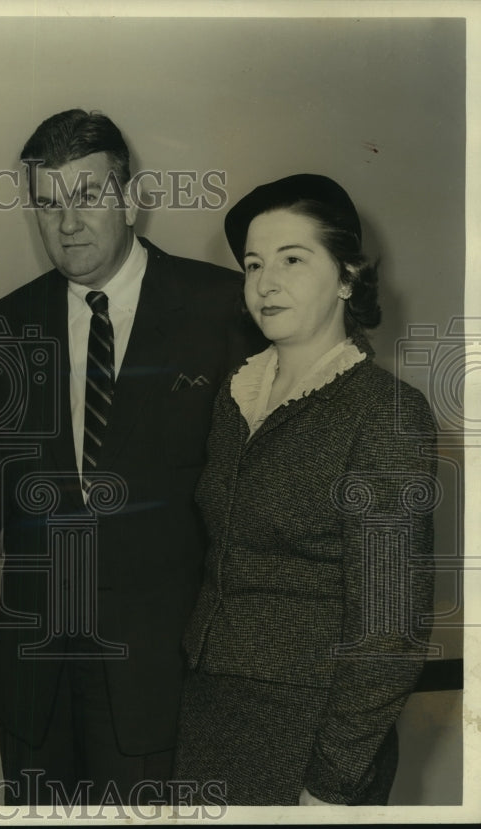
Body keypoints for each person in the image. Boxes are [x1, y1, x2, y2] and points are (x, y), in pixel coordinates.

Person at [0, 109, 264, 805]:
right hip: (36, 682)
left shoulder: (221, 307)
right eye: (48, 202)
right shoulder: (8, 322)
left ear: (131, 198)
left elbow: (248, 499)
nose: (67, 222)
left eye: (88, 196)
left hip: (161, 675)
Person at [175, 174, 437, 805]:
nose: (266, 283)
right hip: (209, 718)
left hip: (313, 739)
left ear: (348, 277)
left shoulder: (384, 413)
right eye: (254, 265)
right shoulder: (234, 398)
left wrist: (332, 782)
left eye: (293, 260)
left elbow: (390, 628)